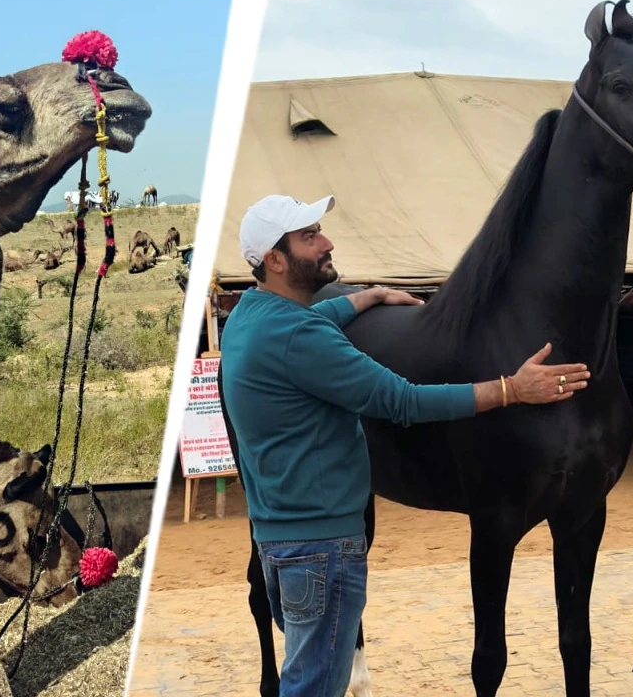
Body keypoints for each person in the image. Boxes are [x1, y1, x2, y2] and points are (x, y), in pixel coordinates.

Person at [218, 194, 592, 697]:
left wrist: (367, 297)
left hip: (281, 543)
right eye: (310, 237)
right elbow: (404, 401)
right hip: (322, 548)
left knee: (306, 674)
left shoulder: (250, 317)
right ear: (275, 260)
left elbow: (316, 319)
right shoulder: (300, 339)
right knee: (313, 685)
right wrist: (511, 389)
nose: (327, 242)